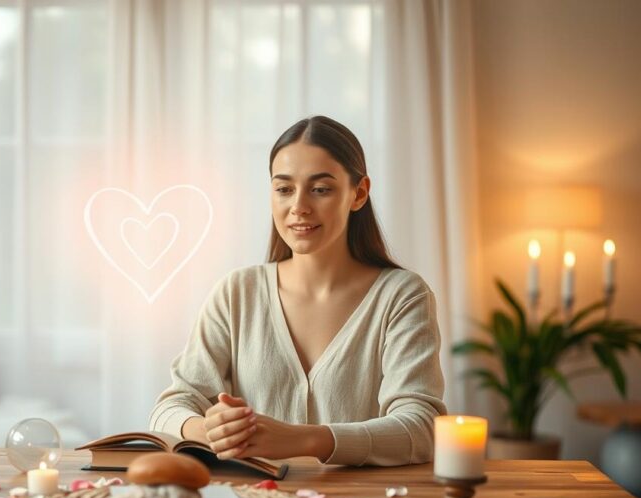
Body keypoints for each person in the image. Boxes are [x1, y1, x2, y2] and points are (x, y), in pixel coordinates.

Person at [148, 115, 446, 466]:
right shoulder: (236, 294)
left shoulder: (402, 296)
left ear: (359, 193)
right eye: (284, 189)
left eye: (320, 189)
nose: (299, 207)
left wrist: (303, 439)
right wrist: (209, 429)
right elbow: (169, 408)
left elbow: (421, 428)